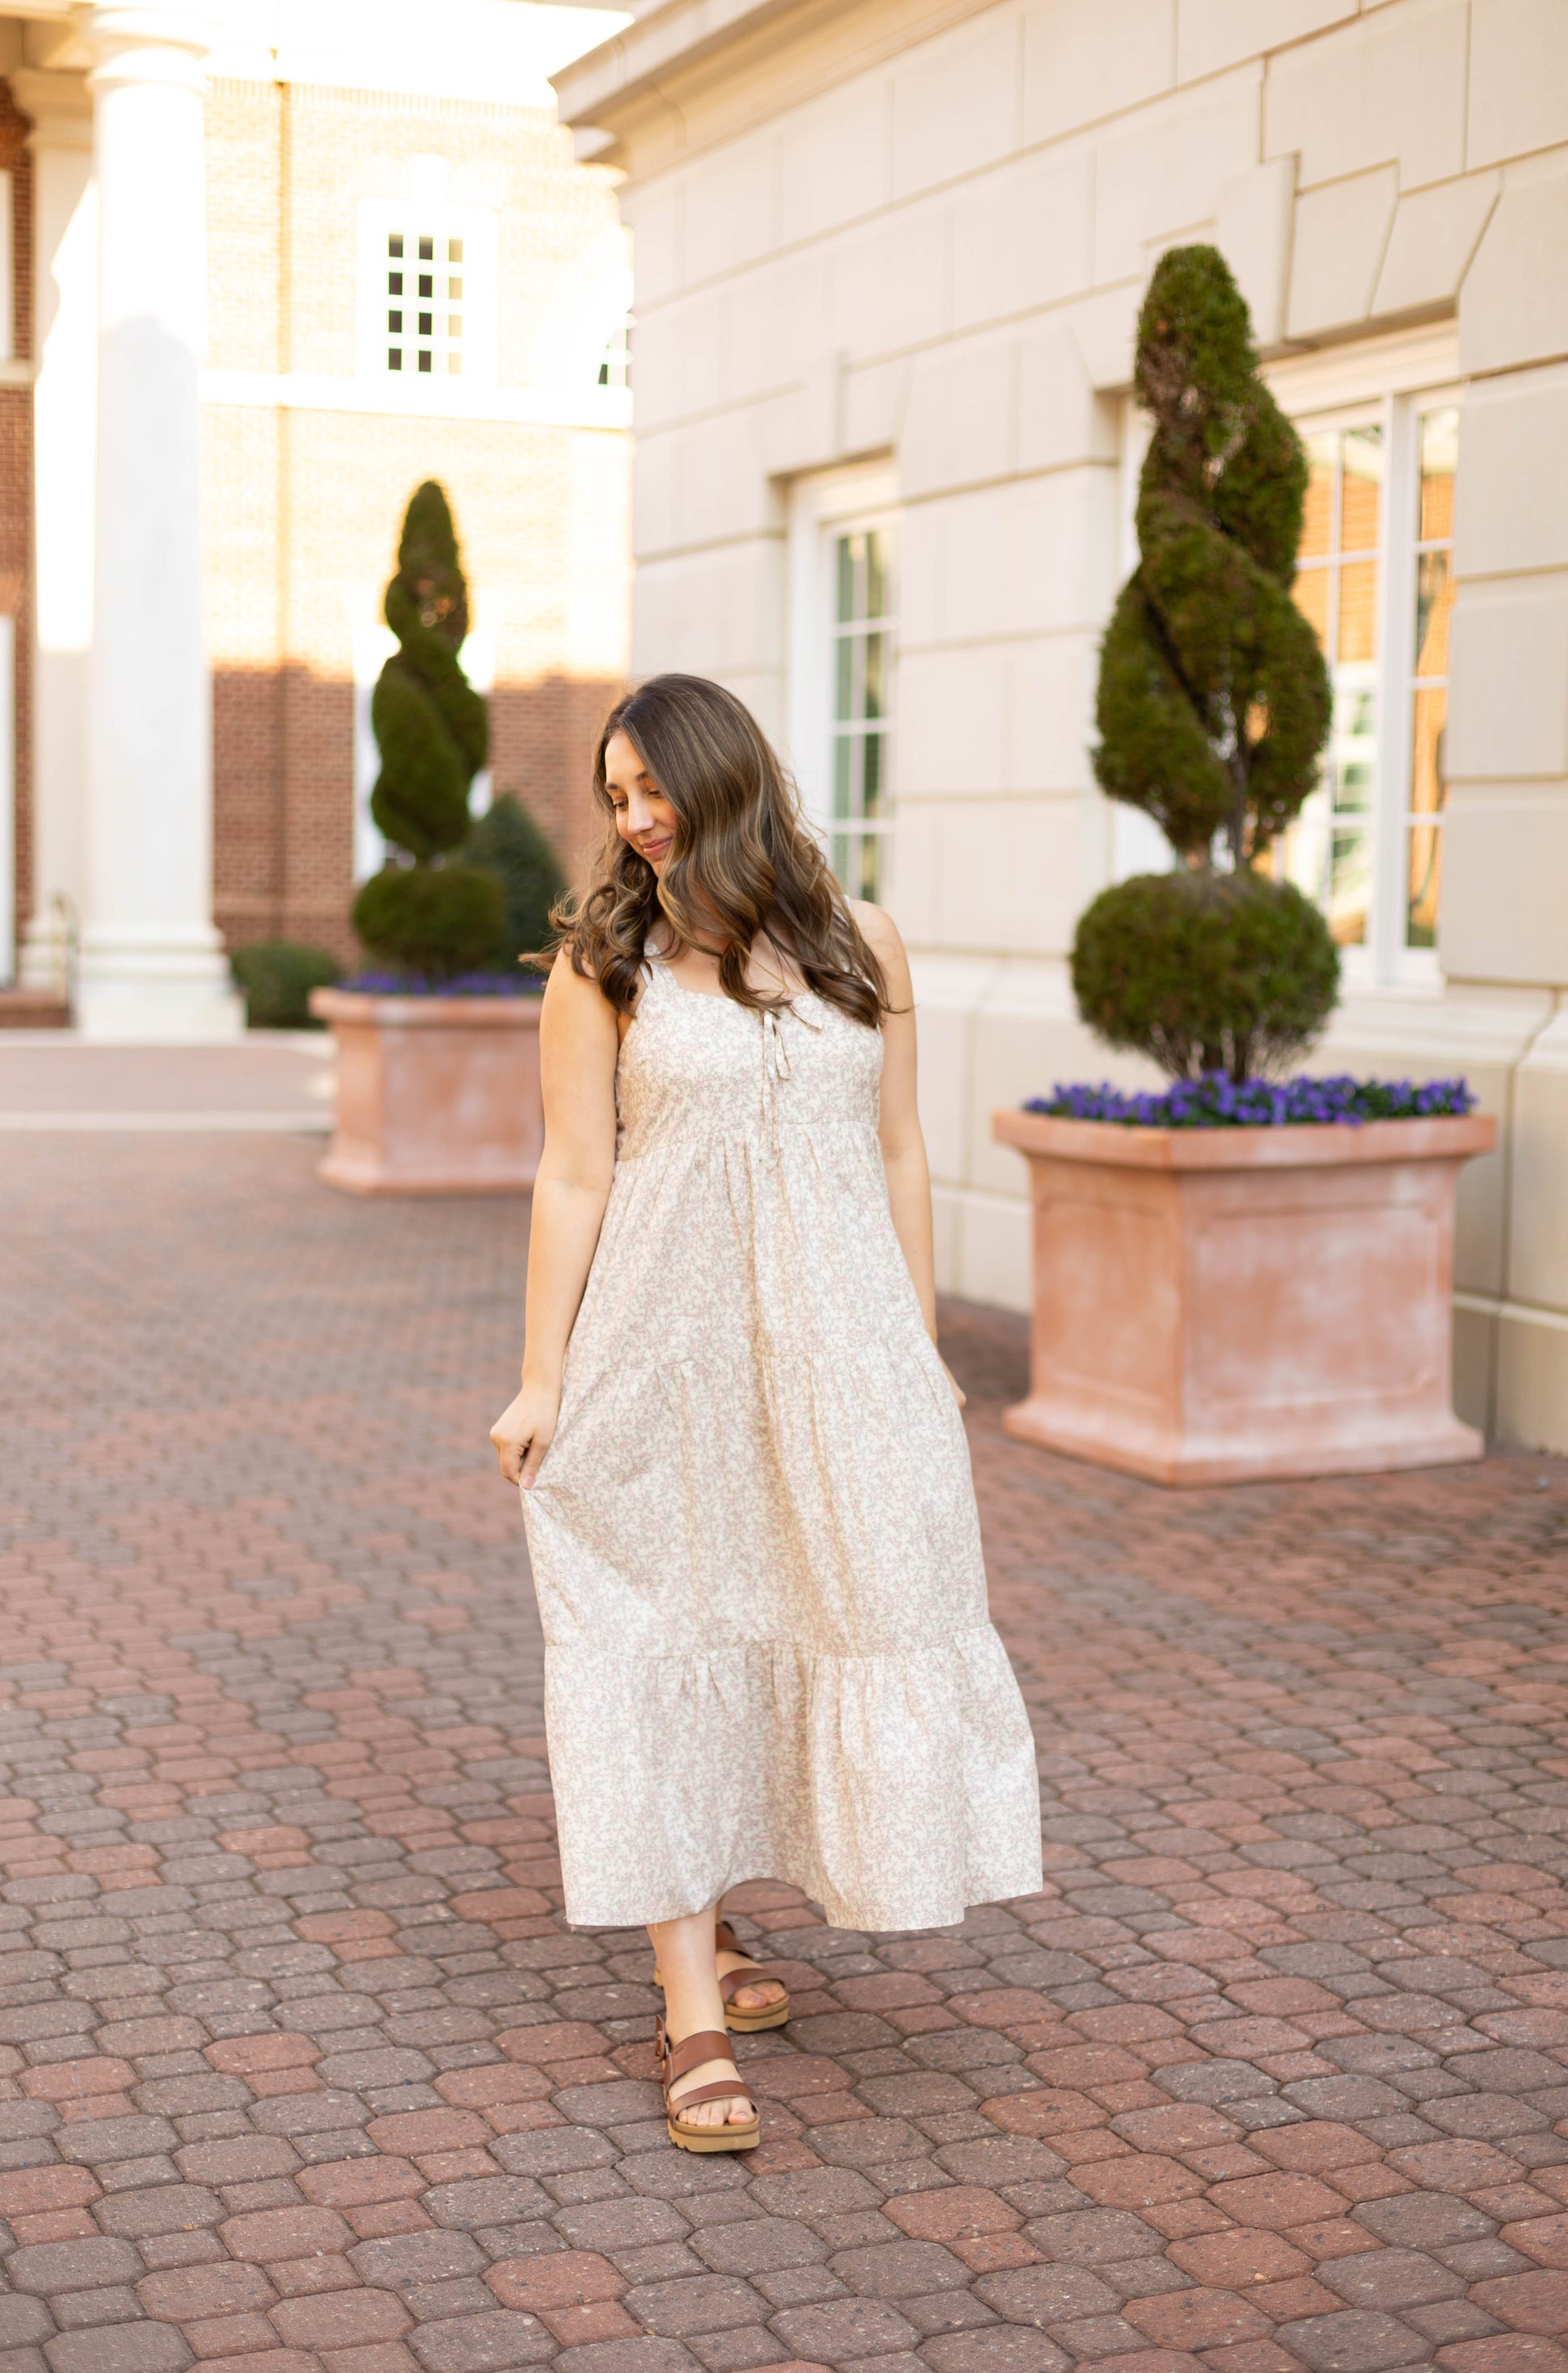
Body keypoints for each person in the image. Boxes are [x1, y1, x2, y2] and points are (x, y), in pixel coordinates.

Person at [491, 674, 1043, 2153]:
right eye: (613, 799)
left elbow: (901, 1151)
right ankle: (684, 1998)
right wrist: (545, 1374)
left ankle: (724, 1927)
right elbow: (573, 1175)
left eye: (650, 790)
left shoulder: (863, 945)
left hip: (841, 1349)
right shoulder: (603, 965)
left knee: (820, 1604)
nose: (634, 821)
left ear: (724, 780)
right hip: (664, 1350)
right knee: (658, 1630)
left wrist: (917, 1350)